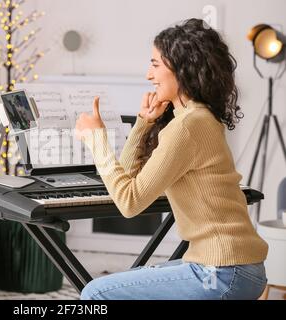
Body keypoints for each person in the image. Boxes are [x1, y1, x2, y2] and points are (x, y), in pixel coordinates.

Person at [75, 18, 268, 300]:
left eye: (155, 64)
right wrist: (143, 122)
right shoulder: (197, 117)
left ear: (182, 67)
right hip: (234, 267)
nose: (148, 75)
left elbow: (129, 202)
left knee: (96, 294)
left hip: (223, 271)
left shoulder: (188, 126)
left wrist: (96, 141)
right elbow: (129, 180)